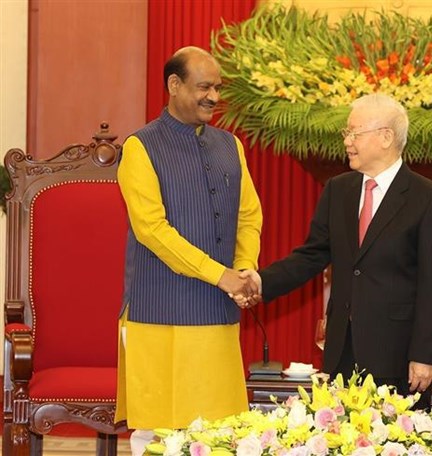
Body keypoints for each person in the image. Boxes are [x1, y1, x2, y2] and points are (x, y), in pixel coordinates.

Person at [238, 93, 432, 411]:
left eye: (355, 132)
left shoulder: (429, 199)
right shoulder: (338, 190)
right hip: (342, 348)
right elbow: (311, 255)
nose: (347, 141)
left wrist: (425, 355)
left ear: (385, 137)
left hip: (398, 353)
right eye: (346, 133)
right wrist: (260, 281)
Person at [114, 46, 262, 456]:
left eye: (217, 88)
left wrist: (245, 268)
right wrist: (221, 275)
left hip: (216, 311)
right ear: (173, 85)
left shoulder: (230, 146)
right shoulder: (140, 147)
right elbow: (152, 230)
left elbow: (249, 216)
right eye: (203, 87)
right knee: (158, 435)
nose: (213, 97)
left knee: (219, 433)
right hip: (156, 311)